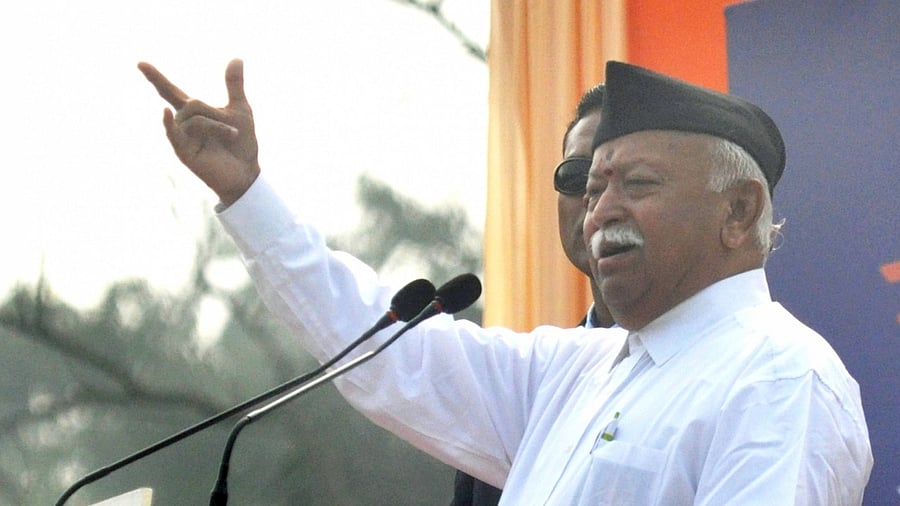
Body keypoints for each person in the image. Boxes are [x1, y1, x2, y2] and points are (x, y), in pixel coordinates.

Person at [139, 59, 872, 504]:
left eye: (637, 183)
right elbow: (387, 355)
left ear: (738, 212)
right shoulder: (575, 371)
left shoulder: (780, 380)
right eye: (593, 184)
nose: (601, 208)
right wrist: (247, 196)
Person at [451, 83, 612, 506]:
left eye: (628, 178)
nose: (595, 197)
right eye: (577, 176)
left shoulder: (745, 381)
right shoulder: (517, 396)